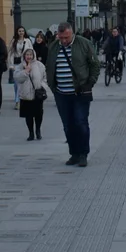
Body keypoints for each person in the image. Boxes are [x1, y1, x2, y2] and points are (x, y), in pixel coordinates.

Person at [46, 22, 100, 168]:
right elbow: (49, 66)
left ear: (72, 34)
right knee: (68, 125)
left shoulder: (83, 44)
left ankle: (83, 154)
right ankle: (74, 153)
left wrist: (90, 83)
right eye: (61, 37)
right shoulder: (53, 46)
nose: (63, 41)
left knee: (80, 122)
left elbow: (95, 64)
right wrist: (52, 86)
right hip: (61, 93)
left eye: (66, 38)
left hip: (80, 92)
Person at [14, 48, 49, 141]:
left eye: (30, 55)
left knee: (38, 114)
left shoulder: (39, 65)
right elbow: (17, 78)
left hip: (37, 94)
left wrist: (43, 86)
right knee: (28, 115)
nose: (29, 57)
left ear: (33, 56)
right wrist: (26, 71)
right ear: (24, 56)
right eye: (27, 55)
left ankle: (38, 130)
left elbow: (45, 77)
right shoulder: (20, 66)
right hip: (25, 95)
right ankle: (31, 132)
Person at [9, 26, 33, 111]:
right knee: (17, 84)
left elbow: (31, 52)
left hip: (25, 63)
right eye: (19, 31)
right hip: (16, 64)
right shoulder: (14, 41)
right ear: (17, 32)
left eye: (22, 31)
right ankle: (17, 101)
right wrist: (11, 65)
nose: (21, 32)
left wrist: (31, 63)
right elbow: (11, 53)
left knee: (25, 83)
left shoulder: (28, 41)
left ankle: (25, 100)